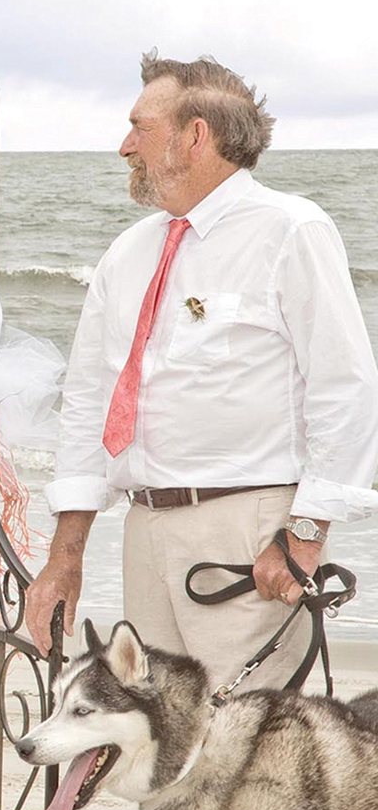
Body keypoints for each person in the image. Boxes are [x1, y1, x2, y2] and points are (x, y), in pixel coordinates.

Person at [24, 52, 378, 710]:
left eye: (140, 127)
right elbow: (89, 403)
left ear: (195, 135)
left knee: (245, 762)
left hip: (246, 536)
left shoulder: (291, 229)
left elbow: (346, 385)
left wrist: (305, 535)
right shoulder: (127, 253)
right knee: (161, 752)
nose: (124, 145)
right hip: (145, 530)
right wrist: (64, 556)